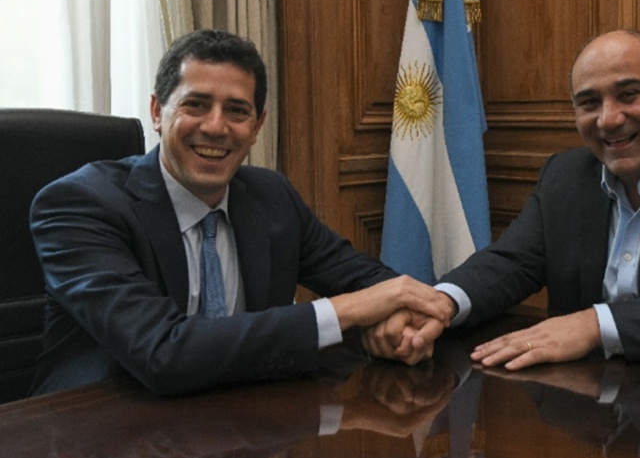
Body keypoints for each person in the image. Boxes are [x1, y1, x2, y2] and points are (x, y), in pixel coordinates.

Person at [29, 29, 450, 396]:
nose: (216, 127)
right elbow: (163, 352)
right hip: (103, 426)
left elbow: (371, 282)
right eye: (196, 105)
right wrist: (352, 310)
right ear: (157, 112)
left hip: (242, 418)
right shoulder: (80, 206)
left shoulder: (271, 196)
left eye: (237, 110)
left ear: (257, 125)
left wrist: (398, 319)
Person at [366, 29, 640, 368]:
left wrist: (594, 325)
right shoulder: (564, 176)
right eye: (589, 103)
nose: (609, 119)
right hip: (593, 405)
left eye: (628, 94)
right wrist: (440, 304)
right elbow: (511, 263)